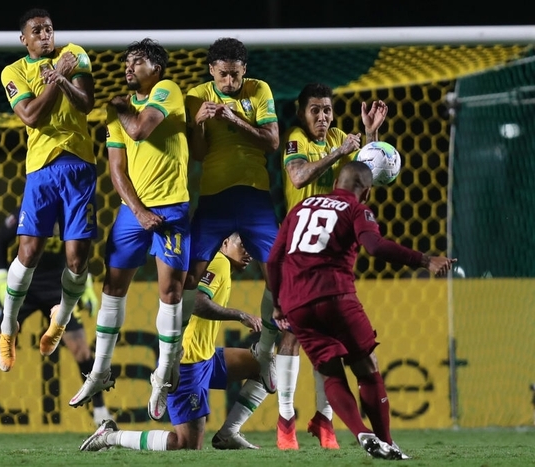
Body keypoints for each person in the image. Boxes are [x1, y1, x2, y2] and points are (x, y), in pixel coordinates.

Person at [267, 161, 456, 460]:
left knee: (330, 374)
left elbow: (274, 258)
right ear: (366, 192)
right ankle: (387, 441)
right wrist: (424, 260)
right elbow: (375, 246)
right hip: (335, 296)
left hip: (296, 303)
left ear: (336, 182)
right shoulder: (356, 209)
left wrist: (278, 302)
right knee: (367, 368)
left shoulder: (301, 207)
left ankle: (361, 433)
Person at [68, 38, 190, 422]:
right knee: (112, 286)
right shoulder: (115, 108)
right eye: (126, 61)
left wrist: (122, 108)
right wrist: (137, 212)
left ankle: (161, 376)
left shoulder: (166, 91)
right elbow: (116, 169)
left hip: (172, 208)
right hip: (133, 213)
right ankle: (100, 371)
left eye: (136, 61)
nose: (128, 67)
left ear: (155, 68)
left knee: (170, 291)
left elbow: (139, 131)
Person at [275, 82, 388, 450]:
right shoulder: (295, 139)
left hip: (333, 249)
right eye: (315, 110)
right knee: (291, 335)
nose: (322, 117)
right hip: (299, 248)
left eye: (327, 110)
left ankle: (324, 419)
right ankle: (286, 419)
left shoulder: (340, 135)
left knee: (334, 341)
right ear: (302, 112)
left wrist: (371, 134)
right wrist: (339, 150)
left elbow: (366, 170)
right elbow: (297, 177)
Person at [80, 233, 270, 452]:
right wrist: (240, 315)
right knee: (186, 445)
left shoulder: (219, 264)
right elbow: (197, 301)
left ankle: (228, 433)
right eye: (242, 244)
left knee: (263, 365)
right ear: (225, 243)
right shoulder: (217, 263)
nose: (249, 253)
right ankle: (111, 436)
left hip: (206, 356)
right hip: (187, 362)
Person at [0, 209, 111, 431]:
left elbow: (81, 249)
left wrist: (86, 283)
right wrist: (3, 275)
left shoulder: (72, 212)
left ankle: (100, 412)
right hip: (24, 285)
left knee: (81, 348)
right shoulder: (33, 208)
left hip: (57, 287)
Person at [0, 8, 97, 374]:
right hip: (41, 169)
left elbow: (85, 105)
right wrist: (57, 79)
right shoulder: (14, 71)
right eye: (36, 30)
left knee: (77, 258)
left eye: (49, 29)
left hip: (80, 166)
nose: (45, 35)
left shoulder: (76, 54)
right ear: (24, 39)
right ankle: (8, 328)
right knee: (30, 250)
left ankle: (60, 322)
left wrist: (63, 77)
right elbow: (30, 116)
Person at [182, 37, 280, 401]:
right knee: (188, 280)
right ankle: (169, 361)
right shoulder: (196, 95)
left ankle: (266, 352)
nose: (229, 82)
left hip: (254, 196)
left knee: (278, 278)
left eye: (236, 75)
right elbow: (197, 154)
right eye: (223, 75)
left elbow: (271, 141)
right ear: (211, 71)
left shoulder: (259, 90)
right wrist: (200, 125)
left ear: (244, 72)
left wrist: (234, 117)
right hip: (214, 198)